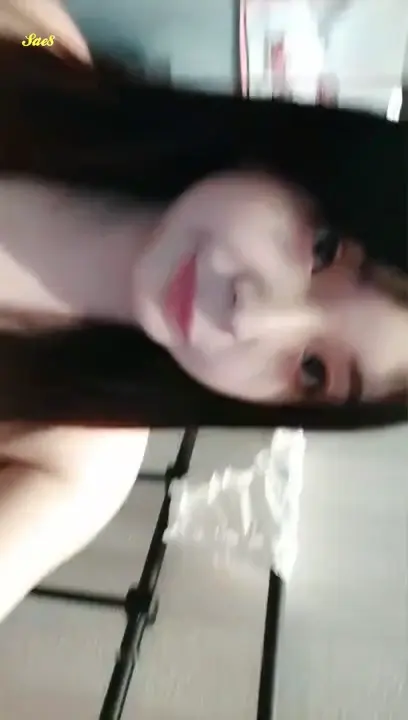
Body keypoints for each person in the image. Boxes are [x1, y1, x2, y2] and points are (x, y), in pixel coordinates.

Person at [0, 7, 406, 622]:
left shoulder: (74, 466)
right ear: (303, 161)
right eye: (322, 251)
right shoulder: (40, 48)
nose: (252, 319)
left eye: (313, 371)